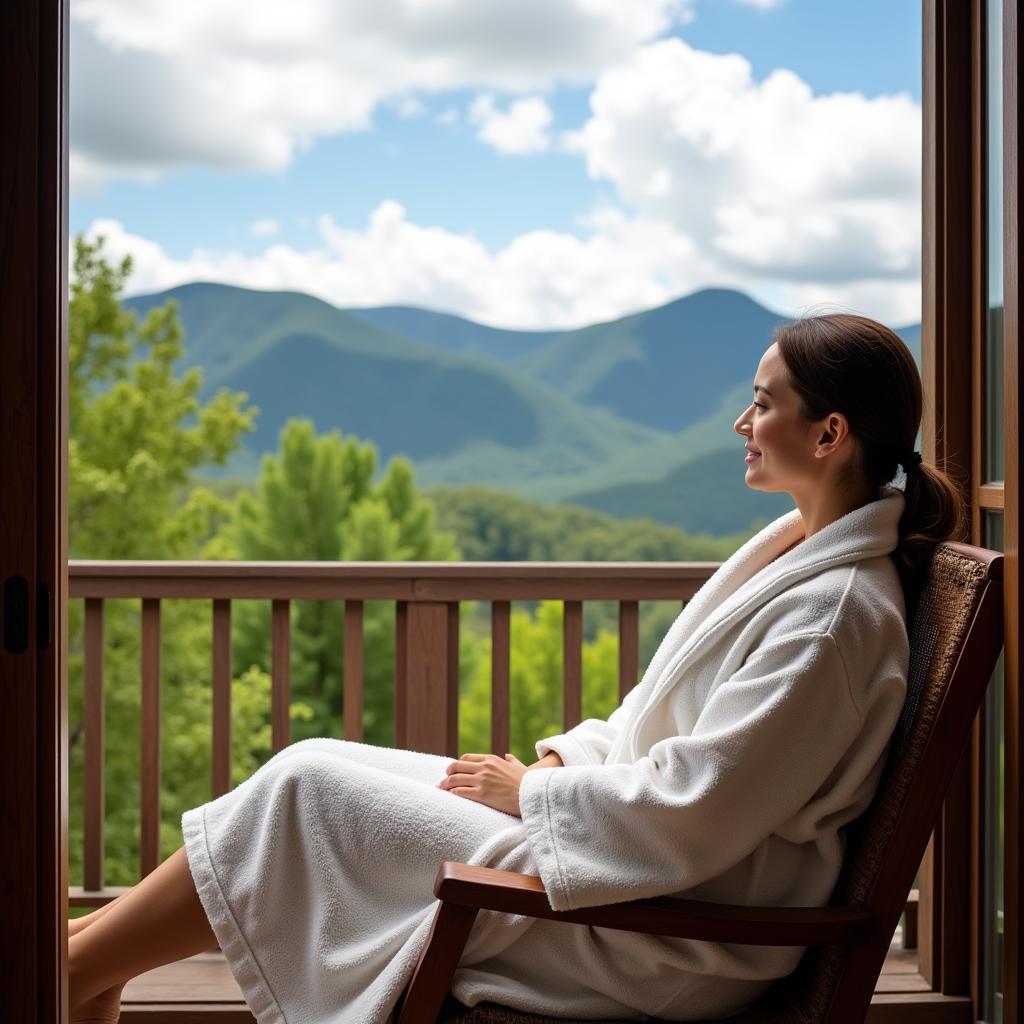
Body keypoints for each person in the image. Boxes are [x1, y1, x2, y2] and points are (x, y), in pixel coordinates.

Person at [68, 312, 965, 1023]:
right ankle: (86, 964)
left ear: (829, 434)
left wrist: (532, 799)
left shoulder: (832, 617)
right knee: (310, 765)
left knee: (308, 789)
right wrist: (559, 768)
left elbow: (703, 808)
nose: (742, 421)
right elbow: (667, 730)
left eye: (764, 403)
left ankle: (73, 967)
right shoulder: (799, 565)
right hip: (632, 862)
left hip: (667, 929)